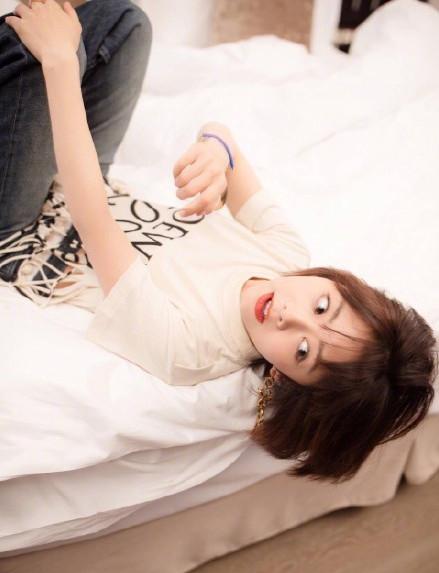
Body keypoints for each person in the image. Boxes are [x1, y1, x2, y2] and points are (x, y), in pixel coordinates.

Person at [0, 0, 437, 482]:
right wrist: (214, 151)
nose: (289, 316)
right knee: (126, 25)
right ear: (339, 283)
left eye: (302, 351)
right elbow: (223, 137)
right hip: (83, 181)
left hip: (21, 227)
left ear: (282, 378)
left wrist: (61, 63)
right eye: (322, 307)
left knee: (40, 55)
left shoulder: (189, 348)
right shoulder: (286, 256)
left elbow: (92, 216)